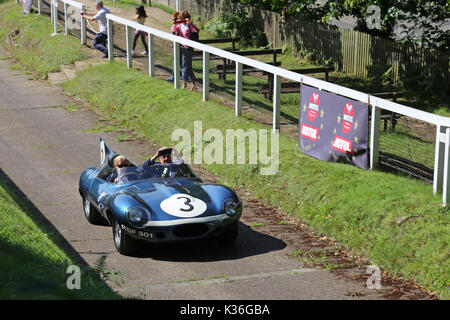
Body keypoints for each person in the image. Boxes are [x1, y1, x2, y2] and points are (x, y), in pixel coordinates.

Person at [175, 11, 199, 91]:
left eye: (182, 18)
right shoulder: (180, 25)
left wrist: (190, 23)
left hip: (188, 48)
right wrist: (175, 22)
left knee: (185, 65)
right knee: (188, 67)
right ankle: (194, 85)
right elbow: (173, 30)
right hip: (182, 47)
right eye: (180, 18)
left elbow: (197, 30)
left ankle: (184, 83)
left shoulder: (189, 25)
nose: (180, 19)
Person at [167, 11, 181, 82]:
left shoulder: (179, 25)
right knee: (175, 61)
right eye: (172, 19)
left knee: (179, 62)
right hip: (176, 45)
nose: (173, 21)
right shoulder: (174, 26)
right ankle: (174, 76)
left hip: (181, 46)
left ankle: (176, 76)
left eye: (174, 20)